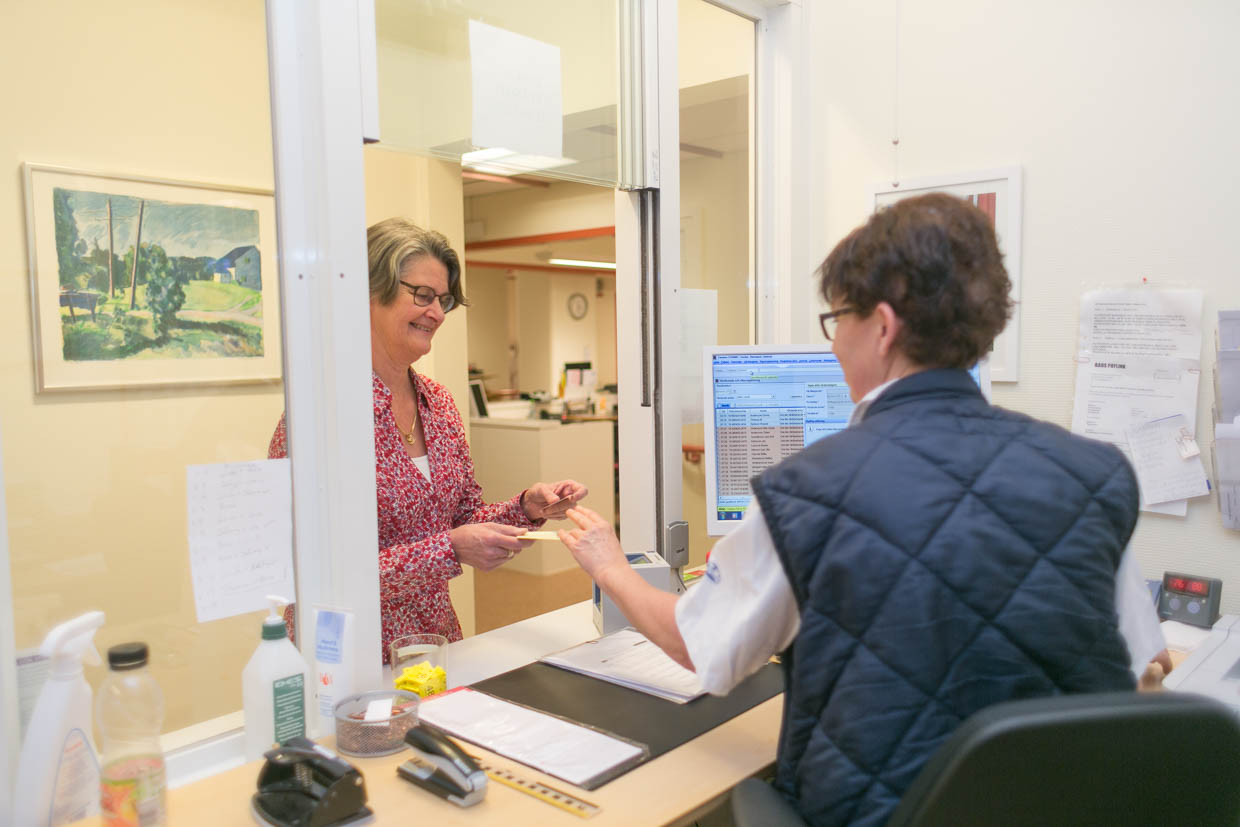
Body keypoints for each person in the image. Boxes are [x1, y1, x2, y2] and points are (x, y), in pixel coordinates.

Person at [559, 193, 1163, 827]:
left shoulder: (805, 490)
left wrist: (612, 568)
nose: (833, 344)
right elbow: (1145, 661)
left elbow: (702, 648)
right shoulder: (1093, 476)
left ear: (882, 326)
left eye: (838, 318)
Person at [270, 217, 587, 659]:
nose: (437, 313)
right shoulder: (321, 417)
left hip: (432, 644)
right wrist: (449, 550)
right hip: (347, 656)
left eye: (443, 300)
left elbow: (463, 518)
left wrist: (526, 508)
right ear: (368, 292)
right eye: (422, 295)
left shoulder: (437, 404)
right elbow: (316, 573)